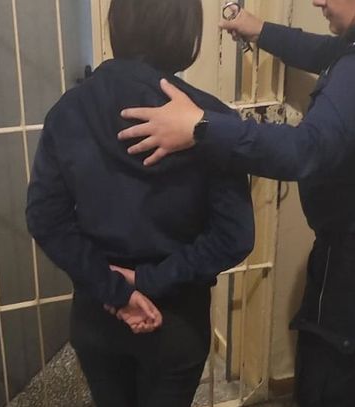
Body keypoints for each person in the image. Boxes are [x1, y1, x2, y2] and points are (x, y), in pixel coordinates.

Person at [117, 0, 355, 406]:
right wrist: (260, 30)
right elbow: (333, 54)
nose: (318, 1)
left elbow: (304, 150)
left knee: (333, 386)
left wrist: (201, 127)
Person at [25, 0, 255, 405]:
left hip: (98, 309)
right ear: (186, 29)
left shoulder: (68, 112)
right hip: (177, 317)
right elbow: (234, 237)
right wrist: (148, 281)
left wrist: (114, 290)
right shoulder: (210, 120)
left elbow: (45, 218)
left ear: (117, 22)